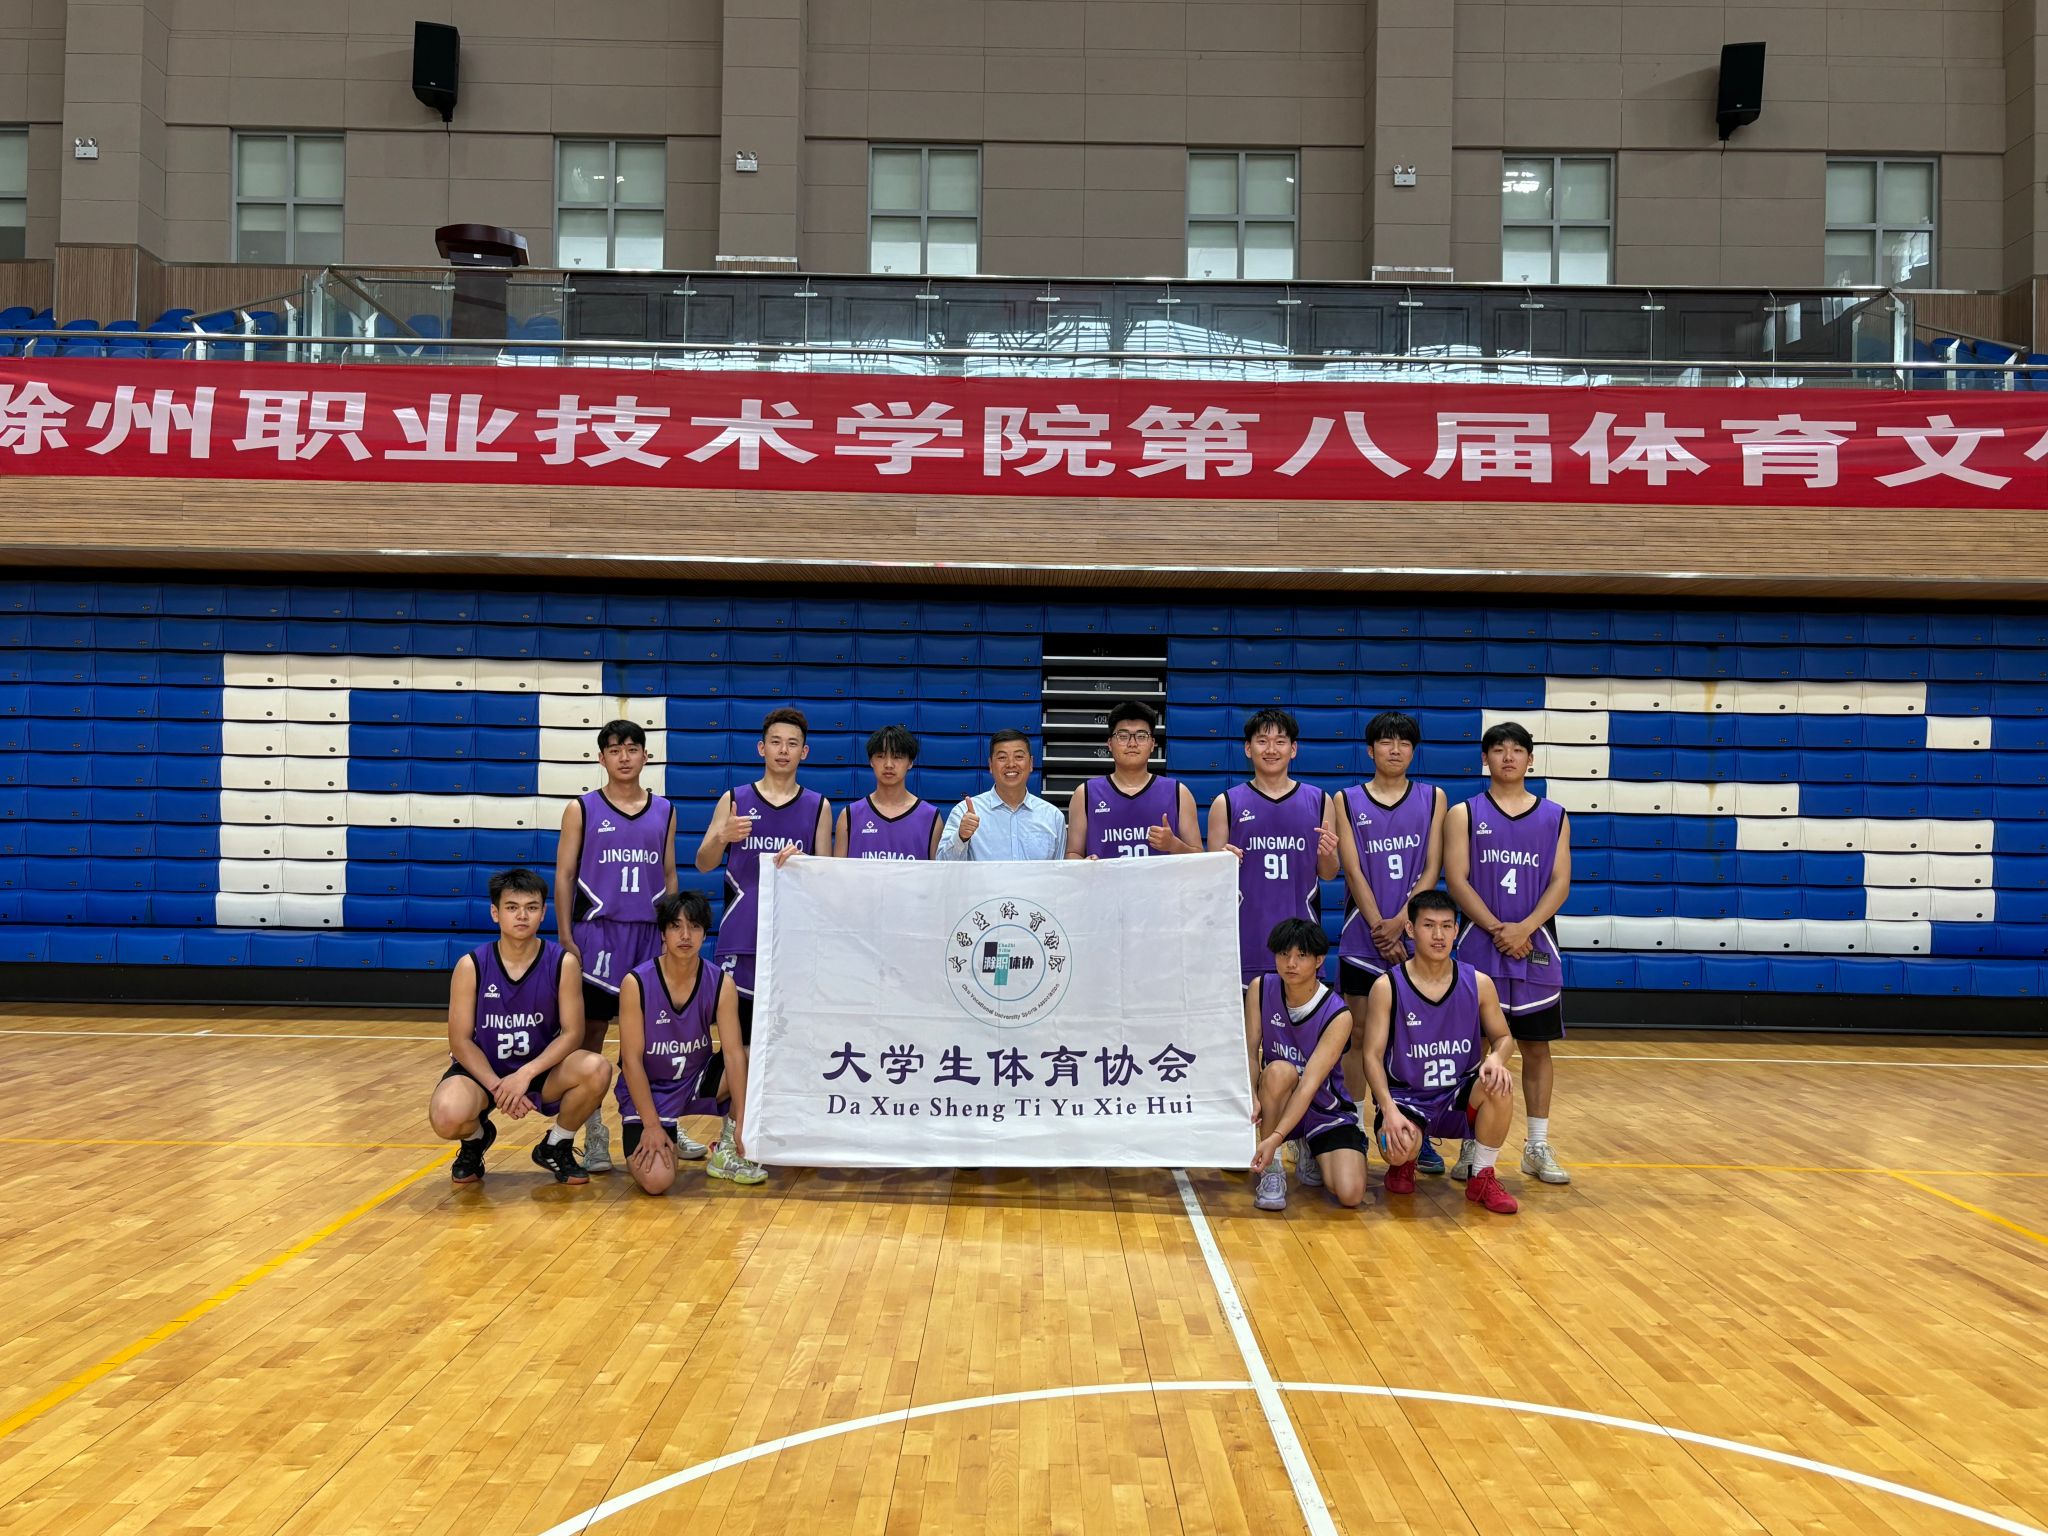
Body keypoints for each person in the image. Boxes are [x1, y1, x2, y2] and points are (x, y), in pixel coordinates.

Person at [694, 706, 831, 1179]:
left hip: (793, 946)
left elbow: (827, 880)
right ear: (762, 747)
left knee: (787, 1045)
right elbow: (704, 862)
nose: (783, 751)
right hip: (741, 944)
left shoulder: (818, 806)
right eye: (776, 742)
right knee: (742, 1048)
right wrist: (722, 835)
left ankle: (774, 1131)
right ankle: (731, 1139)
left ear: (804, 752)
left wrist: (804, 865)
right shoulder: (734, 799)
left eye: (792, 744)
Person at [1208, 707, 1341, 1185]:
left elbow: (1328, 873)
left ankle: (1300, 1136)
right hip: (1244, 943)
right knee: (1243, 1048)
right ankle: (1242, 1137)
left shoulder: (1319, 800)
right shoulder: (1227, 802)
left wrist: (1330, 856)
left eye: (1280, 740)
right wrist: (1219, 859)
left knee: (1300, 1051)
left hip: (1300, 949)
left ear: (1294, 749)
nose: (1271, 748)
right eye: (1262, 741)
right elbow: (1212, 878)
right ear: (1248, 749)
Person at [1443, 721, 1573, 1187]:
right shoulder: (1463, 813)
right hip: (1481, 945)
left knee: (1536, 1047)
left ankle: (1536, 1145)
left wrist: (1525, 927)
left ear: (1530, 759)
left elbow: (1560, 881)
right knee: (1476, 1048)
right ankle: (1472, 1142)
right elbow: (1456, 879)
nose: (1509, 757)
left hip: (1535, 947)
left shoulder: (1555, 815)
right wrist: (1499, 928)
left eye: (1517, 750)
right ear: (1486, 759)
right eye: (1499, 750)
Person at [428, 867, 613, 1186]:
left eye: (531, 907)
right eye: (512, 907)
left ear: (543, 913)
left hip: (540, 1070)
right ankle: (476, 1140)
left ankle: (557, 1144)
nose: (522, 916)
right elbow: (460, 1041)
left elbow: (573, 1033)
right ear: (495, 913)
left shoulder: (563, 962)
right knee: (446, 1115)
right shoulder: (471, 965)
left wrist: (525, 1075)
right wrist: (499, 1087)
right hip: (485, 1072)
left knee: (596, 1068)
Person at [552, 718, 677, 1175]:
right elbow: (565, 876)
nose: (624, 757)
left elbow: (668, 875)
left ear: (646, 755)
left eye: (632, 748)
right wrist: (566, 935)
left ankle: (662, 1120)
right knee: (589, 1037)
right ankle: (592, 1130)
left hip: (647, 934)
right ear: (601, 758)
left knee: (651, 1040)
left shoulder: (665, 809)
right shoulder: (581, 809)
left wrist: (669, 933)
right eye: (615, 749)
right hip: (597, 934)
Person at [1335, 709, 1447, 1174]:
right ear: (1370, 750)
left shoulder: (1433, 797)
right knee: (1358, 1035)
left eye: (1403, 742)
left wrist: (1403, 921)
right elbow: (1352, 868)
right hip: (1363, 935)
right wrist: (1380, 925)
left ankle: (1415, 1129)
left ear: (1413, 750)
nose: (1395, 749)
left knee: (1414, 1039)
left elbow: (1433, 865)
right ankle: (1355, 1128)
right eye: (1386, 741)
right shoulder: (1346, 799)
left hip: (1414, 935)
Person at [1358, 891, 1520, 1214]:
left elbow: (1504, 1037)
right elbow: (1371, 1056)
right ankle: (1404, 1163)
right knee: (1397, 1149)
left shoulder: (1479, 983)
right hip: (1407, 1099)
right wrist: (1387, 1109)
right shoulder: (1387, 986)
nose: (1438, 935)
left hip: (1458, 1096)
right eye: (1429, 925)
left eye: (1446, 926)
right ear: (1410, 929)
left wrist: (1496, 1058)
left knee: (1500, 1085)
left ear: (1456, 931)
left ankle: (1481, 1175)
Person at [616, 889, 762, 1192]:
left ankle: (725, 1148)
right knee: (656, 1181)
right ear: (663, 933)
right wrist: (652, 1125)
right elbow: (631, 1061)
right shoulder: (636, 983)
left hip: (695, 1081)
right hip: (651, 1090)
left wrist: (743, 1123)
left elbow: (733, 1054)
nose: (685, 935)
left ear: (704, 934)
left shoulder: (721, 983)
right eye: (676, 926)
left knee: (751, 1056)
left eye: (694, 926)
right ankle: (665, 1127)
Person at [1246, 918, 1368, 1211]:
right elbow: (1249, 1052)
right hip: (1280, 1098)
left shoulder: (1338, 1013)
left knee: (1350, 1194)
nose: (1291, 963)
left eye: (1301, 956)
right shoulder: (1260, 989)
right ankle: (1273, 1169)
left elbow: (1309, 1085)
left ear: (1319, 960)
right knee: (1278, 1071)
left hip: (1325, 1109)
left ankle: (1306, 1144)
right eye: (1283, 954)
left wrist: (1276, 1137)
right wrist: (1251, 1093)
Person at [1065, 699, 1202, 860]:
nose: (1132, 743)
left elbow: (1200, 859)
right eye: (1123, 736)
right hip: (1105, 878)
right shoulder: (1086, 793)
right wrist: (1084, 864)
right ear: (1110, 744)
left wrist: (1174, 845)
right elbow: (1073, 853)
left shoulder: (1178, 792)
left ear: (1152, 744)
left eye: (1141, 736)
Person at [937, 728, 1065, 861]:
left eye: (1019, 757)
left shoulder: (1053, 817)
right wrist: (961, 837)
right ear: (991, 765)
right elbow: (942, 865)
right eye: (1002, 757)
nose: (1011, 764)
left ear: (1031, 763)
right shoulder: (964, 812)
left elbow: (1061, 871)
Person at [834, 723, 944, 860]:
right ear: (871, 761)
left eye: (897, 757)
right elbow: (837, 871)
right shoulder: (849, 816)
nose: (888, 765)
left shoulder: (931, 817)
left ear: (910, 762)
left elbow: (937, 872)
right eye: (881, 756)